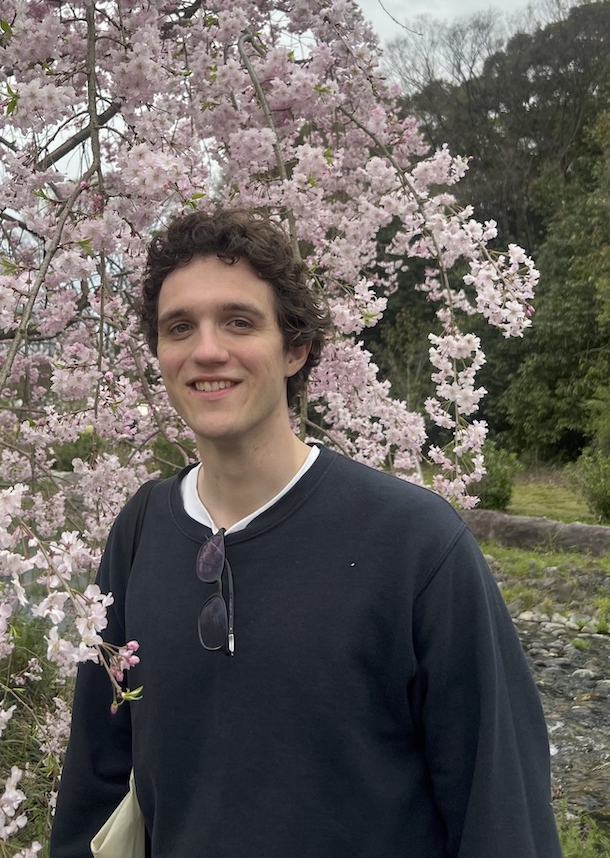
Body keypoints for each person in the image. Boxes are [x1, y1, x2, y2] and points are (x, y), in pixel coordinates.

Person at [49, 208, 563, 858]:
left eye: (239, 321)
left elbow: (500, 810)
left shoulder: (415, 545)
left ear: (295, 348)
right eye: (180, 327)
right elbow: (94, 783)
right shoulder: (140, 533)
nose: (207, 350)